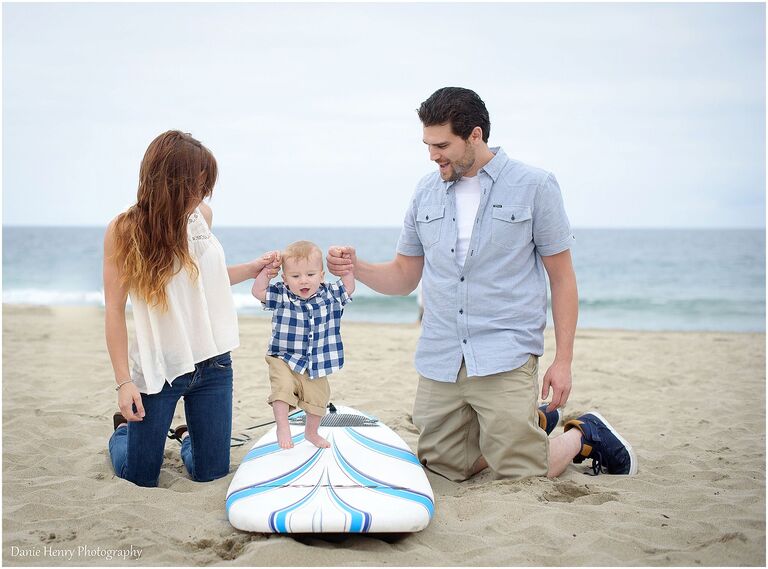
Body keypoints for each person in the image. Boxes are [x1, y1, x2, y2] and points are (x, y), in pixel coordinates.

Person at [327, 87, 637, 482]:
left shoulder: (535, 186)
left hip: (504, 351)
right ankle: (532, 424)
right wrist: (358, 267)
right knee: (443, 468)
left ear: (475, 135)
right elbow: (405, 275)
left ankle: (583, 433)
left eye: (442, 144)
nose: (432, 155)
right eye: (427, 144)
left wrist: (563, 360)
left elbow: (562, 280)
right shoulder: (425, 191)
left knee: (522, 473)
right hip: (442, 354)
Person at [104, 130, 280, 487]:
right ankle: (123, 433)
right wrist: (124, 382)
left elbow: (203, 280)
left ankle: (185, 436)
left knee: (210, 473)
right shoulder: (125, 229)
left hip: (213, 361)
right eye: (195, 185)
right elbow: (113, 311)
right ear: (167, 181)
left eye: (205, 185)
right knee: (138, 477)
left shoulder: (202, 216)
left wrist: (253, 267)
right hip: (159, 368)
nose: (201, 194)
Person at [251, 240, 355, 450]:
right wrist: (267, 272)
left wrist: (345, 266)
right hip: (284, 358)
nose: (303, 281)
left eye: (310, 274)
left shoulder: (331, 295)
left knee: (319, 399)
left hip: (316, 362)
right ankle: (283, 426)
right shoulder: (282, 295)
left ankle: (311, 432)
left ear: (322, 275)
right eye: (295, 276)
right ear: (285, 279)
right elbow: (258, 291)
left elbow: (349, 287)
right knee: (283, 389)